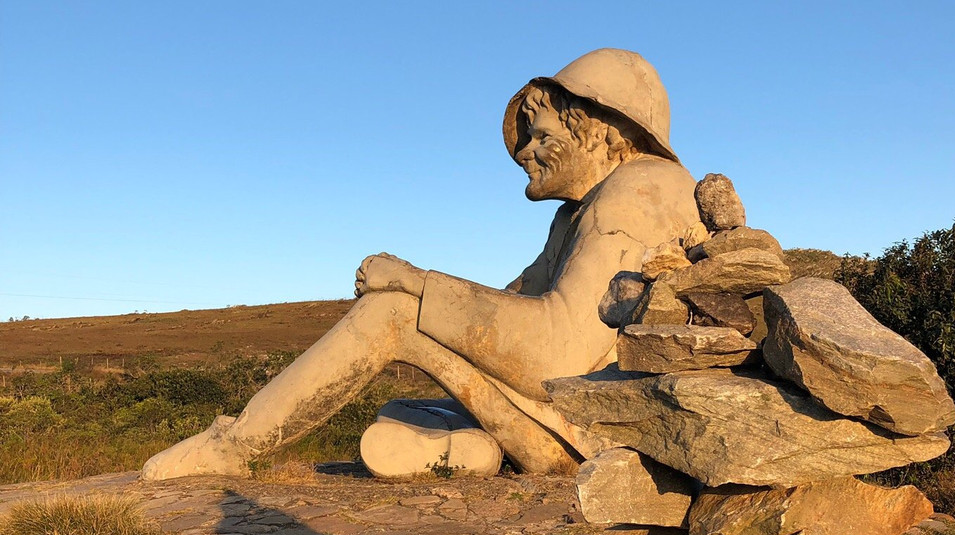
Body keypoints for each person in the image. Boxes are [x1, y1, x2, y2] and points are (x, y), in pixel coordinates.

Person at [141, 48, 700, 481]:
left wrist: (416, 284)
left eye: (541, 133)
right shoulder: (578, 214)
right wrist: (433, 298)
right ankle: (470, 451)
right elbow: (513, 302)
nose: (526, 151)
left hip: (588, 433)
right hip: (570, 421)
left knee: (390, 316)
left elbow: (556, 350)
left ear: (599, 126)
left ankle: (232, 447)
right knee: (404, 404)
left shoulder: (638, 190)